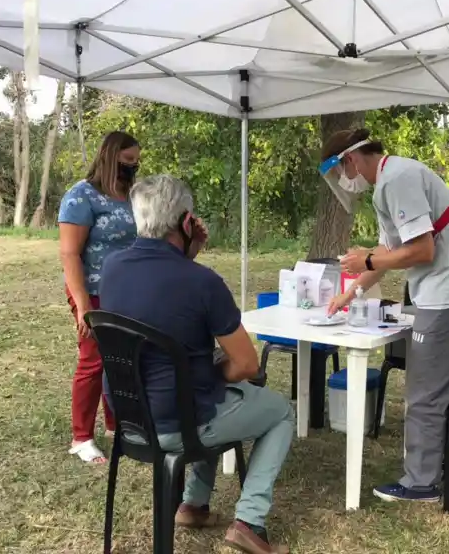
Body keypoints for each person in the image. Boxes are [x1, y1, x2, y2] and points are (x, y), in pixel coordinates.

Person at [98, 174, 295, 554]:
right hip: (178, 425)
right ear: (187, 222)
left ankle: (194, 504)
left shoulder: (112, 267)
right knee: (279, 411)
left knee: (208, 392)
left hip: (130, 420)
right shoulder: (203, 282)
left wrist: (186, 254)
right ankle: (250, 521)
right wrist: (212, 373)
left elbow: (159, 290)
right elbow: (247, 365)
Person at [320, 128, 449, 503]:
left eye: (339, 172)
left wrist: (366, 260)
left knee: (424, 390)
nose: (343, 181)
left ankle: (420, 482)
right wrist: (351, 292)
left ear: (351, 159)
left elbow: (421, 251)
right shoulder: (390, 179)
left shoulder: (397, 179)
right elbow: (389, 253)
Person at [55, 131, 140, 465]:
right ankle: (81, 438)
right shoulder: (81, 196)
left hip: (126, 290)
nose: (133, 166)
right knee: (94, 360)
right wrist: (82, 306)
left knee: (122, 359)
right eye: (128, 160)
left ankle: (116, 423)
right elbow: (69, 253)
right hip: (91, 290)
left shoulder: (131, 195)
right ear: (110, 156)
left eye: (136, 161)